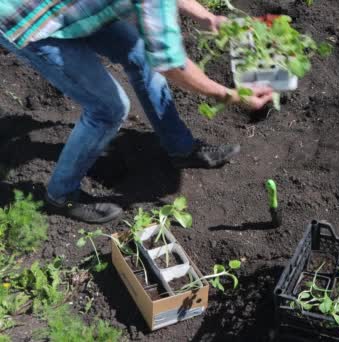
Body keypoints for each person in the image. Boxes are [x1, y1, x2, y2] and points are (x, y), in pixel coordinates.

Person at [0, 0, 274, 223]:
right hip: (27, 22)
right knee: (108, 109)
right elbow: (170, 65)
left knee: (140, 55)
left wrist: (207, 17)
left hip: (72, 9)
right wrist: (229, 95)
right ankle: (61, 196)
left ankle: (181, 149)